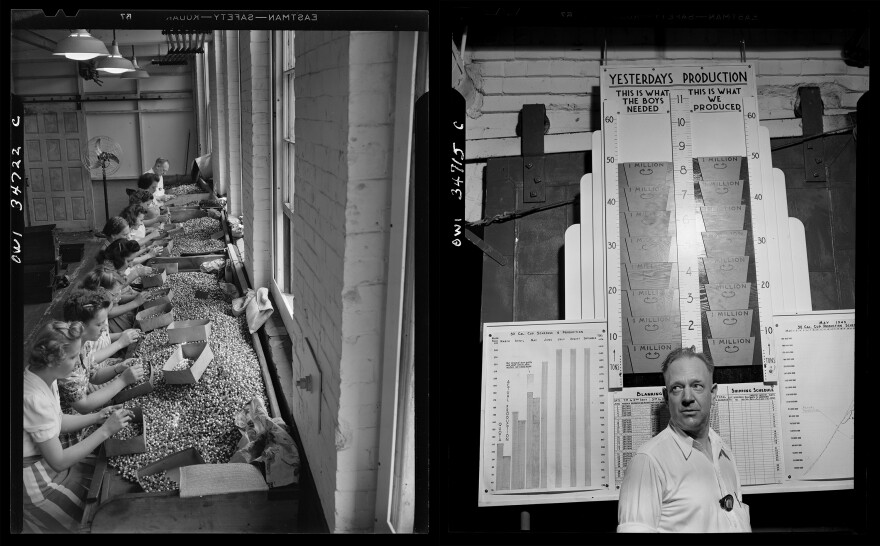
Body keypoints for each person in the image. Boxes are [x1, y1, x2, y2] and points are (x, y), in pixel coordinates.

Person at [617, 346, 751, 533]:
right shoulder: (648, 461)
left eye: (697, 385)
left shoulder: (725, 454)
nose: (687, 397)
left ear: (712, 393)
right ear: (666, 397)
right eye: (677, 388)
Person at [23, 320, 134, 533]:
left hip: (49, 464)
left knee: (104, 481)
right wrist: (106, 430)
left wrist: (97, 417)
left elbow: (60, 420)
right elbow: (59, 461)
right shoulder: (33, 398)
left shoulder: (45, 376)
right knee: (91, 521)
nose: (77, 363)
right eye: (73, 357)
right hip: (37, 483)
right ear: (53, 359)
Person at [80, 267, 145, 334]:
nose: (119, 295)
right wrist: (135, 303)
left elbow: (117, 299)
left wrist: (134, 297)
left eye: (120, 291)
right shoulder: (96, 308)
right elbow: (109, 313)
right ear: (102, 290)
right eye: (115, 294)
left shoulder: (107, 295)